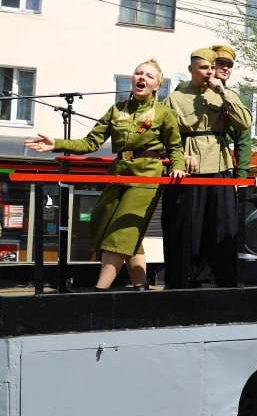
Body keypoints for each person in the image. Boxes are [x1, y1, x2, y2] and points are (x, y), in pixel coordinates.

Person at [25, 60, 184, 290]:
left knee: (121, 232)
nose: (142, 78)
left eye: (149, 76)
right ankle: (141, 288)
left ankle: (99, 291)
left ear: (157, 85)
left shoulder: (164, 113)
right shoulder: (116, 109)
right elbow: (91, 142)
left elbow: (175, 147)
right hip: (119, 173)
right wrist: (57, 143)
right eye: (138, 73)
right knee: (104, 221)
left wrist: (178, 165)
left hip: (147, 174)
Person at [162, 47, 252, 288]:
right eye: (204, 67)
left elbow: (244, 124)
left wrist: (222, 92)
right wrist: (179, 156)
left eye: (212, 68)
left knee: (223, 228)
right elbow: (164, 134)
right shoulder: (175, 97)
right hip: (188, 170)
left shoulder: (224, 94)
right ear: (191, 69)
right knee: (187, 229)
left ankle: (223, 282)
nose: (209, 72)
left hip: (219, 166)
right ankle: (183, 283)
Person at [209, 45, 252, 179]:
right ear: (211, 64)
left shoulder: (234, 98)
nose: (226, 68)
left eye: (229, 65)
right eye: (221, 63)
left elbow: (243, 139)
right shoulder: (188, 92)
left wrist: (241, 176)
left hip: (221, 165)